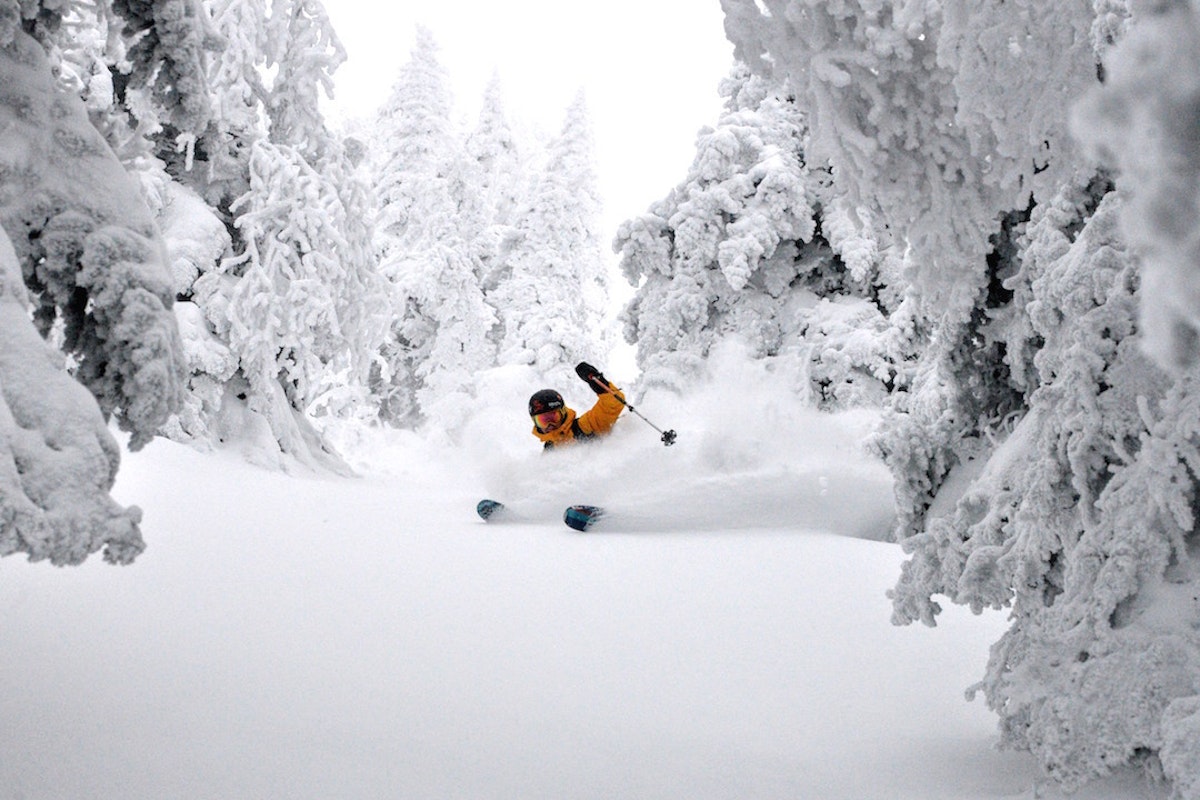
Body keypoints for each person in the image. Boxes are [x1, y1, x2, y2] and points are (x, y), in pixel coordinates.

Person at [528, 362, 625, 450]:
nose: (549, 425)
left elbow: (613, 404)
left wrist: (598, 382)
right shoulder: (550, 449)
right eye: (542, 421)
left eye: (553, 417)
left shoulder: (584, 427)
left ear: (563, 413)